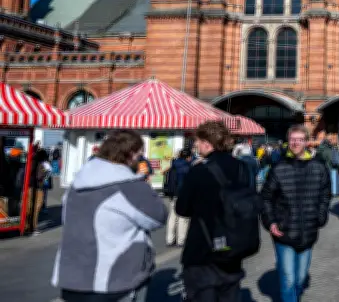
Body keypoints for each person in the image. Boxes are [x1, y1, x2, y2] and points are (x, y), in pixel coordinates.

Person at [52, 130, 167, 302]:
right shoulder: (129, 186)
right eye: (140, 154)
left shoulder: (76, 184)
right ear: (130, 154)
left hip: (71, 277)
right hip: (113, 279)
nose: (141, 159)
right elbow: (159, 216)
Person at [176, 121, 261, 302]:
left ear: (207, 143)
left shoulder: (199, 170)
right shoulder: (243, 168)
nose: (196, 146)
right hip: (233, 246)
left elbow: (182, 209)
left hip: (203, 250)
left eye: (197, 141)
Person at [262, 125, 331, 302]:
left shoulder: (318, 167)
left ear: (307, 142)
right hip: (283, 232)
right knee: (289, 280)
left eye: (300, 139)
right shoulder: (278, 167)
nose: (295, 143)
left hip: (308, 231)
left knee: (300, 278)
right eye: (293, 139)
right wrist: (271, 222)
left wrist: (321, 216)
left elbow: (325, 194)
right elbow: (265, 198)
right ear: (288, 141)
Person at [163, 147, 193, 246]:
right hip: (183, 194)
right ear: (188, 157)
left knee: (172, 217)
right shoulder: (188, 168)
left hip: (172, 194)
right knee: (183, 218)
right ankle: (181, 240)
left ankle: (169, 239)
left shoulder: (173, 165)